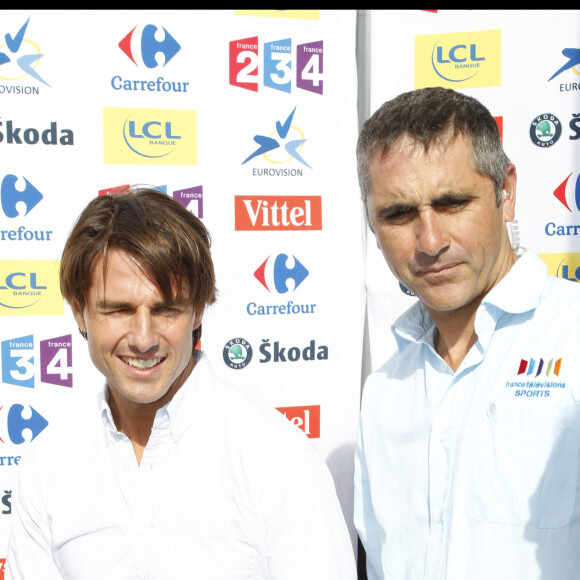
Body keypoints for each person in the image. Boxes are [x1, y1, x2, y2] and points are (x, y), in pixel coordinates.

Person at [7, 187, 356, 579]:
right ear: (80, 312)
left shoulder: (277, 460)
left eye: (165, 309)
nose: (143, 337)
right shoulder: (48, 467)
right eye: (119, 310)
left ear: (197, 311)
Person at [354, 87, 580, 579]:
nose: (430, 241)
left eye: (452, 203)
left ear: (507, 191)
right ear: (372, 224)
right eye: (399, 214)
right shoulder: (383, 393)